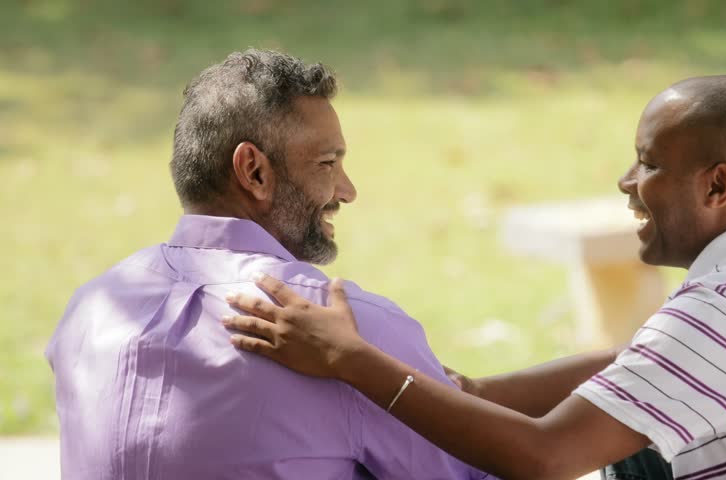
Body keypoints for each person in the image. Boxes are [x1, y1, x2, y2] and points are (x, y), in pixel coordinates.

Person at [223, 75, 726, 479]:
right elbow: (648, 365)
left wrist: (352, 361)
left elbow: (546, 459)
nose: (627, 181)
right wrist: (477, 392)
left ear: (717, 186)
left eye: (649, 163)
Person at [48, 48, 558, 479]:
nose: (347, 190)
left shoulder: (90, 310)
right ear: (254, 172)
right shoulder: (337, 331)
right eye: (327, 163)